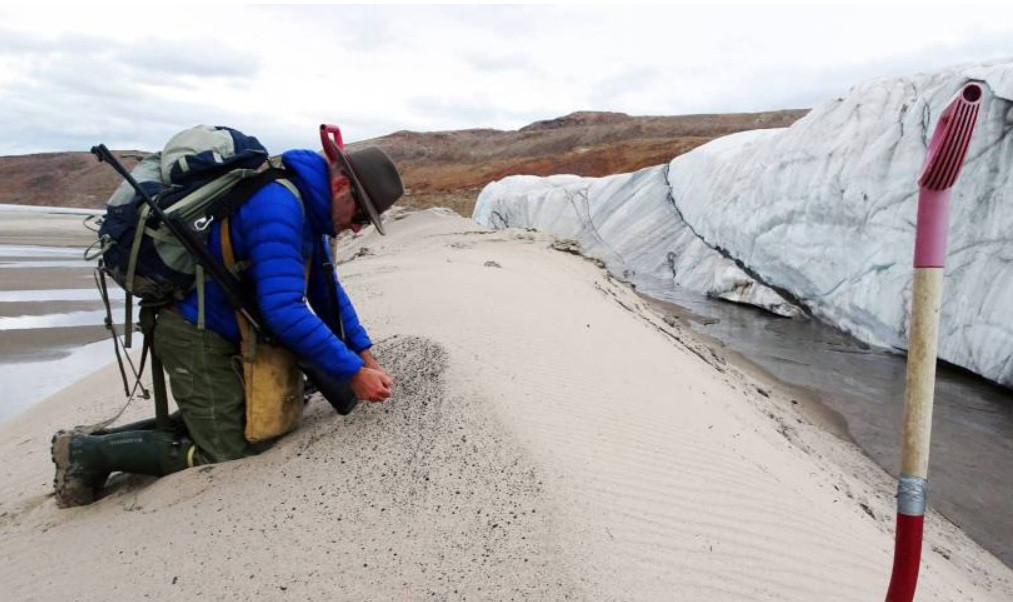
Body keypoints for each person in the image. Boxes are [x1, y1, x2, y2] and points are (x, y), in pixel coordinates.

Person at [51, 134, 404, 508]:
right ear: (340, 185)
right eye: (361, 216)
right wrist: (352, 372)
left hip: (225, 321)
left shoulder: (308, 210)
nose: (355, 229)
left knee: (234, 416)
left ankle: (98, 444)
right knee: (224, 449)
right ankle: (85, 453)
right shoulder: (280, 205)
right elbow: (284, 309)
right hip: (191, 325)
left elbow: (326, 291)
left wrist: (364, 356)